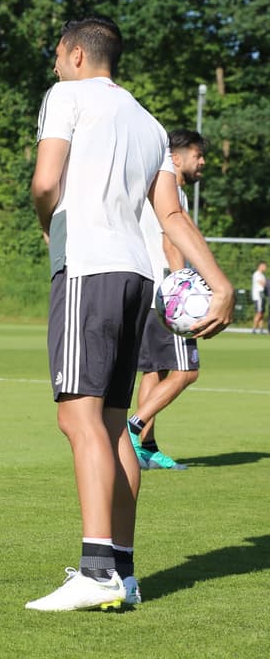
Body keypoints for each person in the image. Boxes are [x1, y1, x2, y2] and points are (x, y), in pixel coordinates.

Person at [26, 16, 232, 611]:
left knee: (78, 417)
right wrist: (218, 282)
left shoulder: (64, 95)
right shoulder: (150, 124)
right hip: (139, 277)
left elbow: (46, 182)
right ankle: (124, 572)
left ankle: (95, 571)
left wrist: (48, 226)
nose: (56, 64)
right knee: (114, 424)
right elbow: (172, 216)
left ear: (73, 54)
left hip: (87, 268)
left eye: (57, 54)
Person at [128, 130, 207, 471]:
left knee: (154, 373)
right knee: (186, 372)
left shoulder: (149, 185)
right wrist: (183, 289)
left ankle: (146, 447)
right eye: (197, 154)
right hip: (166, 298)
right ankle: (132, 428)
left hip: (148, 294)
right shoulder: (170, 190)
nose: (202, 162)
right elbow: (171, 243)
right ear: (176, 158)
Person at [252, 262, 267, 334]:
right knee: (259, 312)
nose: (265, 268)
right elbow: (263, 284)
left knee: (262, 313)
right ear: (260, 266)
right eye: (264, 266)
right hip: (258, 296)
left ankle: (261, 329)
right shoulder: (257, 274)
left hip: (262, 295)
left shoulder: (262, 275)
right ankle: (254, 329)